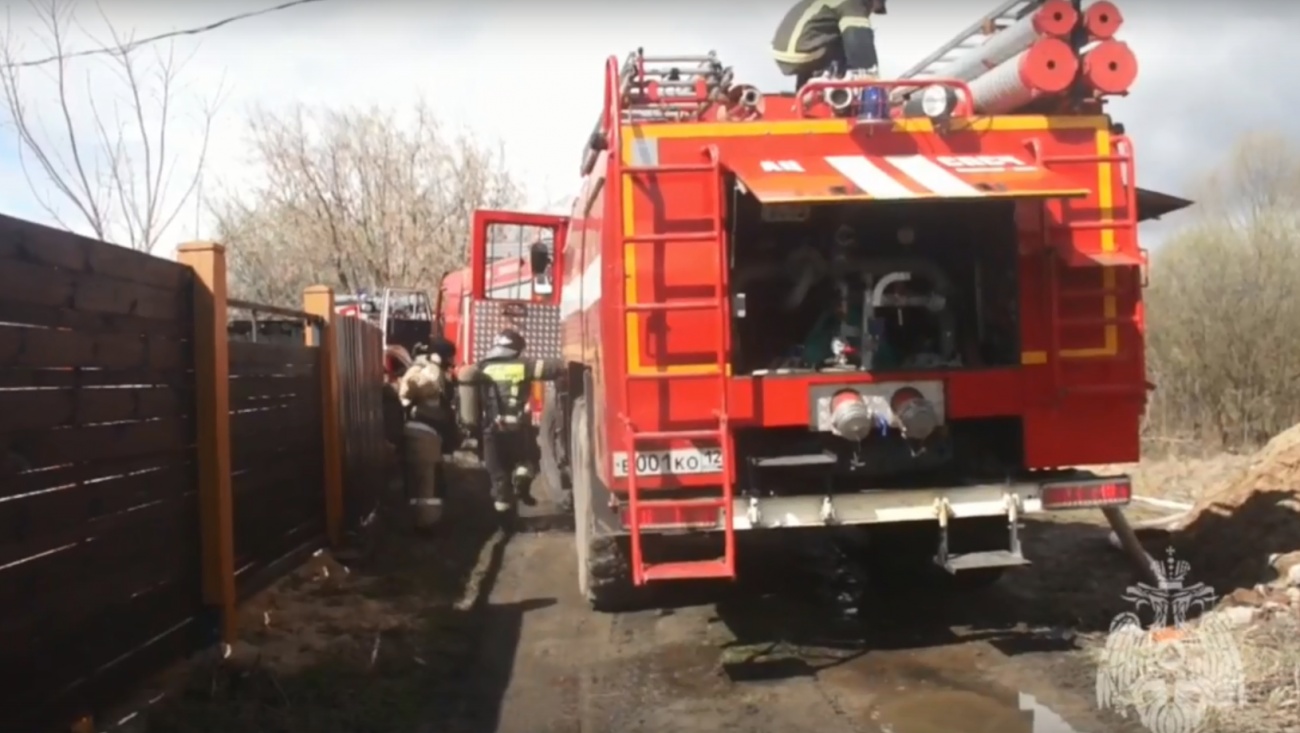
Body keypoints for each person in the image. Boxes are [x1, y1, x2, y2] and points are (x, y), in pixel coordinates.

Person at [457, 329, 564, 515]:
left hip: (490, 430)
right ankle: (522, 481)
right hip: (517, 428)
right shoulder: (524, 365)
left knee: (498, 475)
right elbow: (554, 368)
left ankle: (504, 519)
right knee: (528, 459)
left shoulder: (482, 367)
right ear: (515, 347)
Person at [771, 0, 887, 89]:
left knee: (835, 36)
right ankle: (836, 86)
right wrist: (869, 77)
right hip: (802, 48)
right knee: (855, 35)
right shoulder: (854, 4)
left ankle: (809, 88)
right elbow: (859, 43)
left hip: (785, 49)